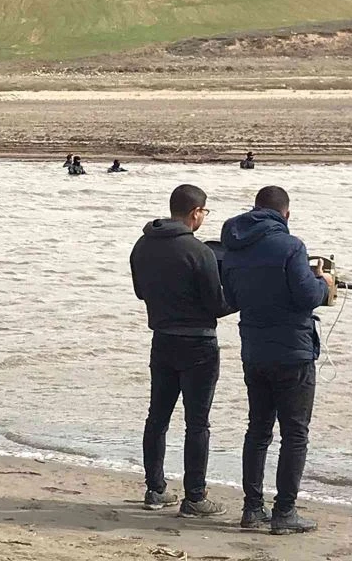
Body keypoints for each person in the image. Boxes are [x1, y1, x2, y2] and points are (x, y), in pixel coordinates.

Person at [220, 186, 334, 535]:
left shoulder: (234, 246)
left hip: (254, 351)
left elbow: (232, 299)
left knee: (258, 430)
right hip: (292, 352)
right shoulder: (292, 246)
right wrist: (324, 283)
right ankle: (285, 512)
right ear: (286, 214)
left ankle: (252, 508)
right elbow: (307, 296)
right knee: (295, 434)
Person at [130, 184, 234, 517]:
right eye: (204, 212)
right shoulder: (199, 251)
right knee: (197, 423)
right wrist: (242, 295)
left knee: (157, 417)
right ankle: (195, 497)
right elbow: (217, 305)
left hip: (162, 339)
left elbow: (140, 292)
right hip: (198, 343)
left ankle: (155, 489)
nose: (204, 217)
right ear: (195, 213)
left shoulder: (143, 244)